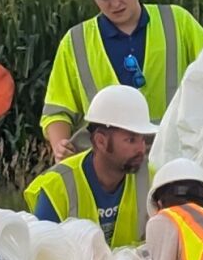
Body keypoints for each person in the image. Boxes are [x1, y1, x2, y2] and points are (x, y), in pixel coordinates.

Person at [40, 0, 203, 163]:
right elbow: (57, 109)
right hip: (105, 172)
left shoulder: (178, 22)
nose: (115, 3)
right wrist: (59, 145)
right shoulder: (76, 42)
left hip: (170, 158)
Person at [24, 86, 155, 249]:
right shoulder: (58, 186)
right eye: (131, 140)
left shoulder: (152, 180)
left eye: (143, 139)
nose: (141, 149)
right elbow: (42, 258)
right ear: (100, 141)